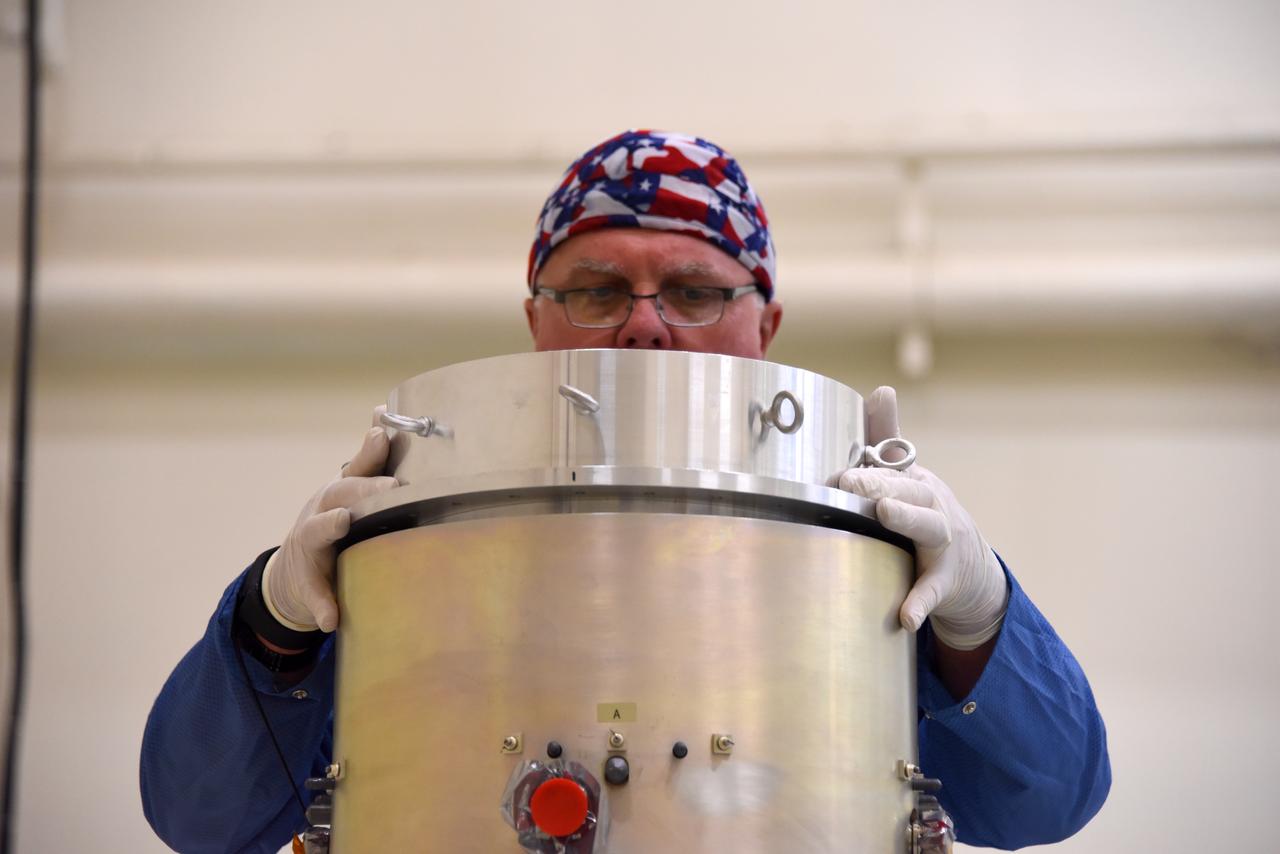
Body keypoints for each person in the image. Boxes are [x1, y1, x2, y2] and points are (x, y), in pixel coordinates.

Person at [140, 130, 1110, 853]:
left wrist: (975, 619)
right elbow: (201, 818)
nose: (643, 328)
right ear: (534, 317)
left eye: (693, 291)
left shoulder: (851, 556)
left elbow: (1045, 800)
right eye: (596, 288)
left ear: (763, 320)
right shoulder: (419, 539)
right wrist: (276, 622)